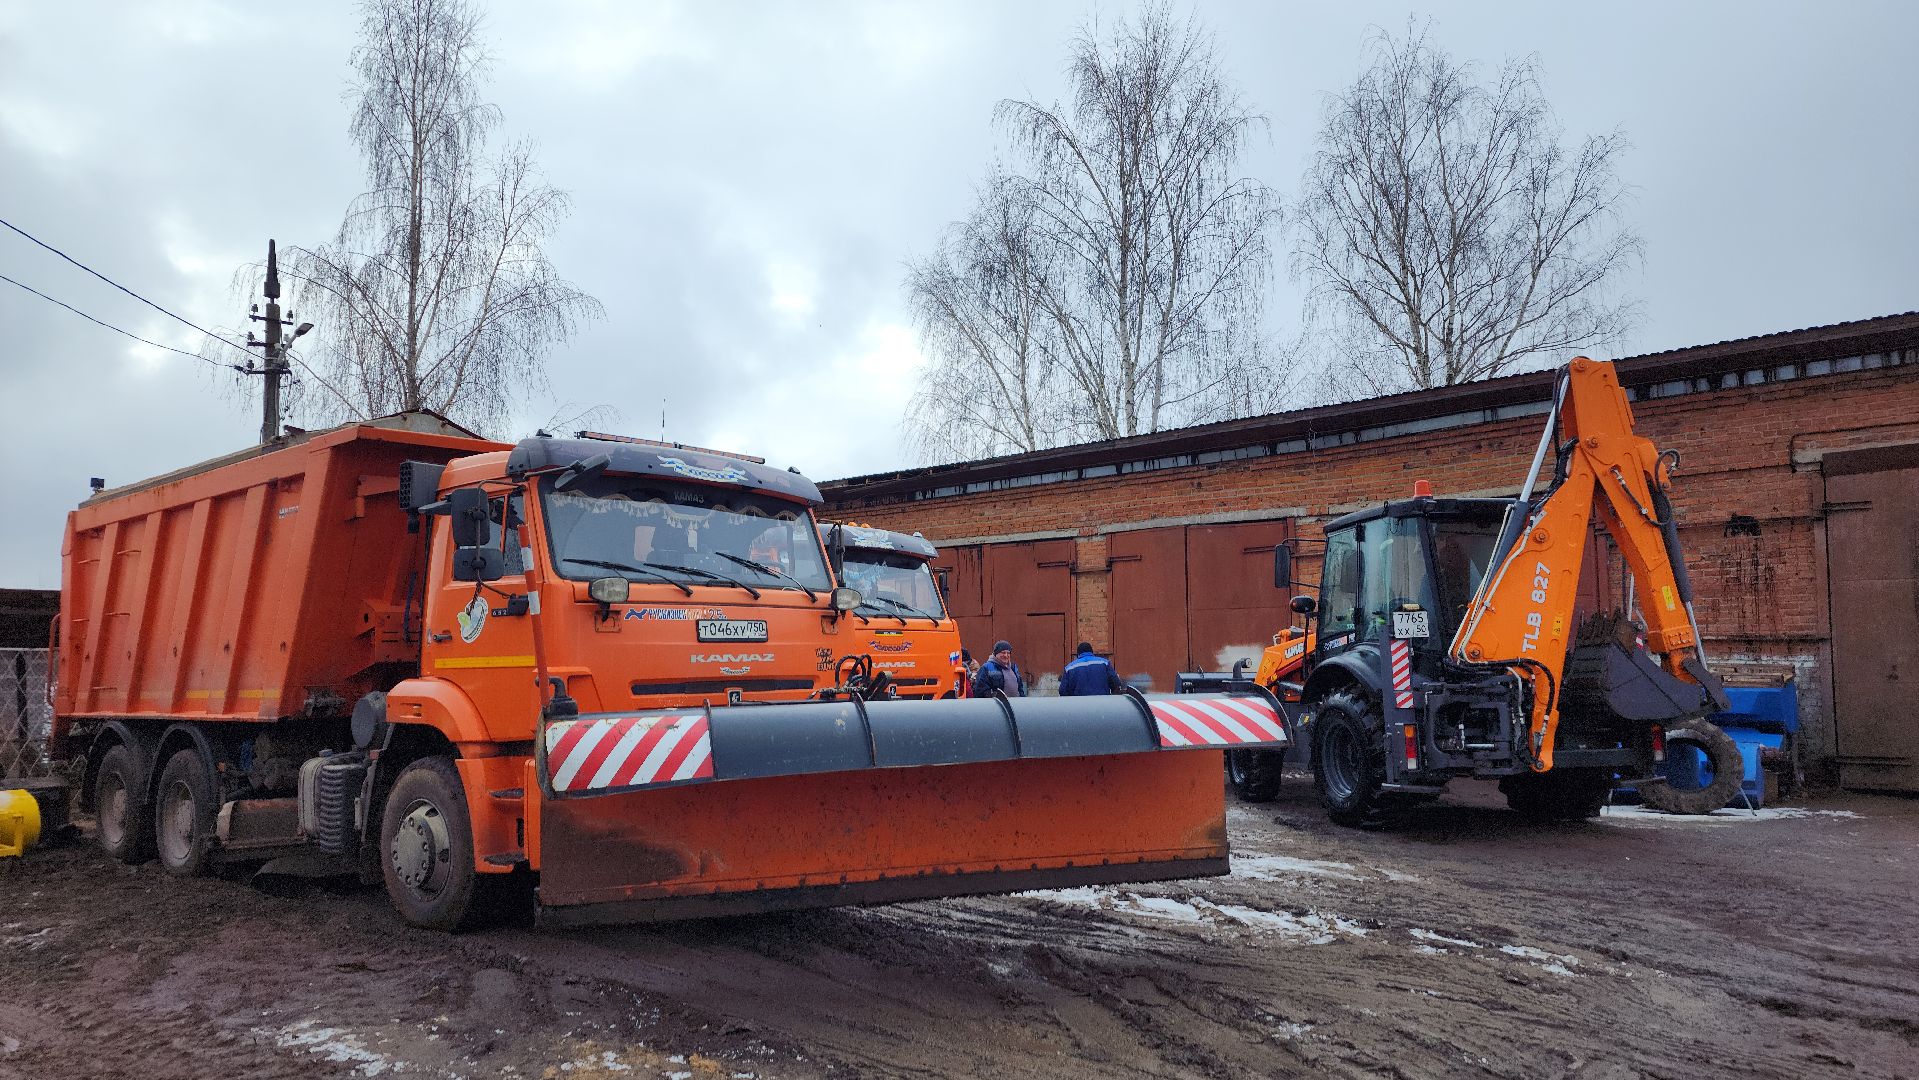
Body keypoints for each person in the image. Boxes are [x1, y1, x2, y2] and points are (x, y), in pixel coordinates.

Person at [1058, 642, 1122, 696]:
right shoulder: (1105, 663)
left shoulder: (1069, 668)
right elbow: (1116, 683)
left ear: (1078, 654)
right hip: (1102, 704)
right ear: (1092, 652)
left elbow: (1063, 691)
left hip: (1079, 706)